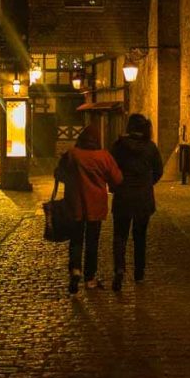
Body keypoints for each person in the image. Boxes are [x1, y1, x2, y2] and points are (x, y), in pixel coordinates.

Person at [56, 123, 122, 294]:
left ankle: (75, 270)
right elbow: (117, 178)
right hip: (96, 206)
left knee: (76, 239)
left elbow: (58, 174)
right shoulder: (104, 156)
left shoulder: (72, 155)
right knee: (92, 242)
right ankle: (90, 278)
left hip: (75, 204)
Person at [109, 113, 163, 292]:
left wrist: (116, 185)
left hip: (123, 197)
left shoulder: (118, 147)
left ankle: (119, 269)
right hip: (143, 199)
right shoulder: (151, 148)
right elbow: (158, 171)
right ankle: (139, 273)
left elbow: (110, 169)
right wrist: (147, 184)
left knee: (120, 236)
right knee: (140, 237)